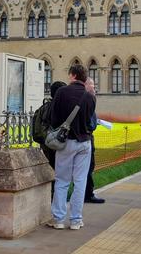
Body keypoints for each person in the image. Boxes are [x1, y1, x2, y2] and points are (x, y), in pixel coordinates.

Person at [47, 64, 95, 230]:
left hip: (67, 142)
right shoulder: (90, 97)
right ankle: (76, 220)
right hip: (85, 143)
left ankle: (58, 219)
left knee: (62, 181)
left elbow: (53, 119)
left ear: (73, 75)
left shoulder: (62, 92)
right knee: (80, 182)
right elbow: (90, 121)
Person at [83, 78, 105, 204]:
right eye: (92, 85)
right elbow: (91, 124)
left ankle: (86, 194)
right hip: (86, 140)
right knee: (87, 169)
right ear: (86, 85)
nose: (94, 88)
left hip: (85, 139)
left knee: (87, 169)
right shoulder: (88, 100)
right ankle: (87, 195)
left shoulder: (88, 100)